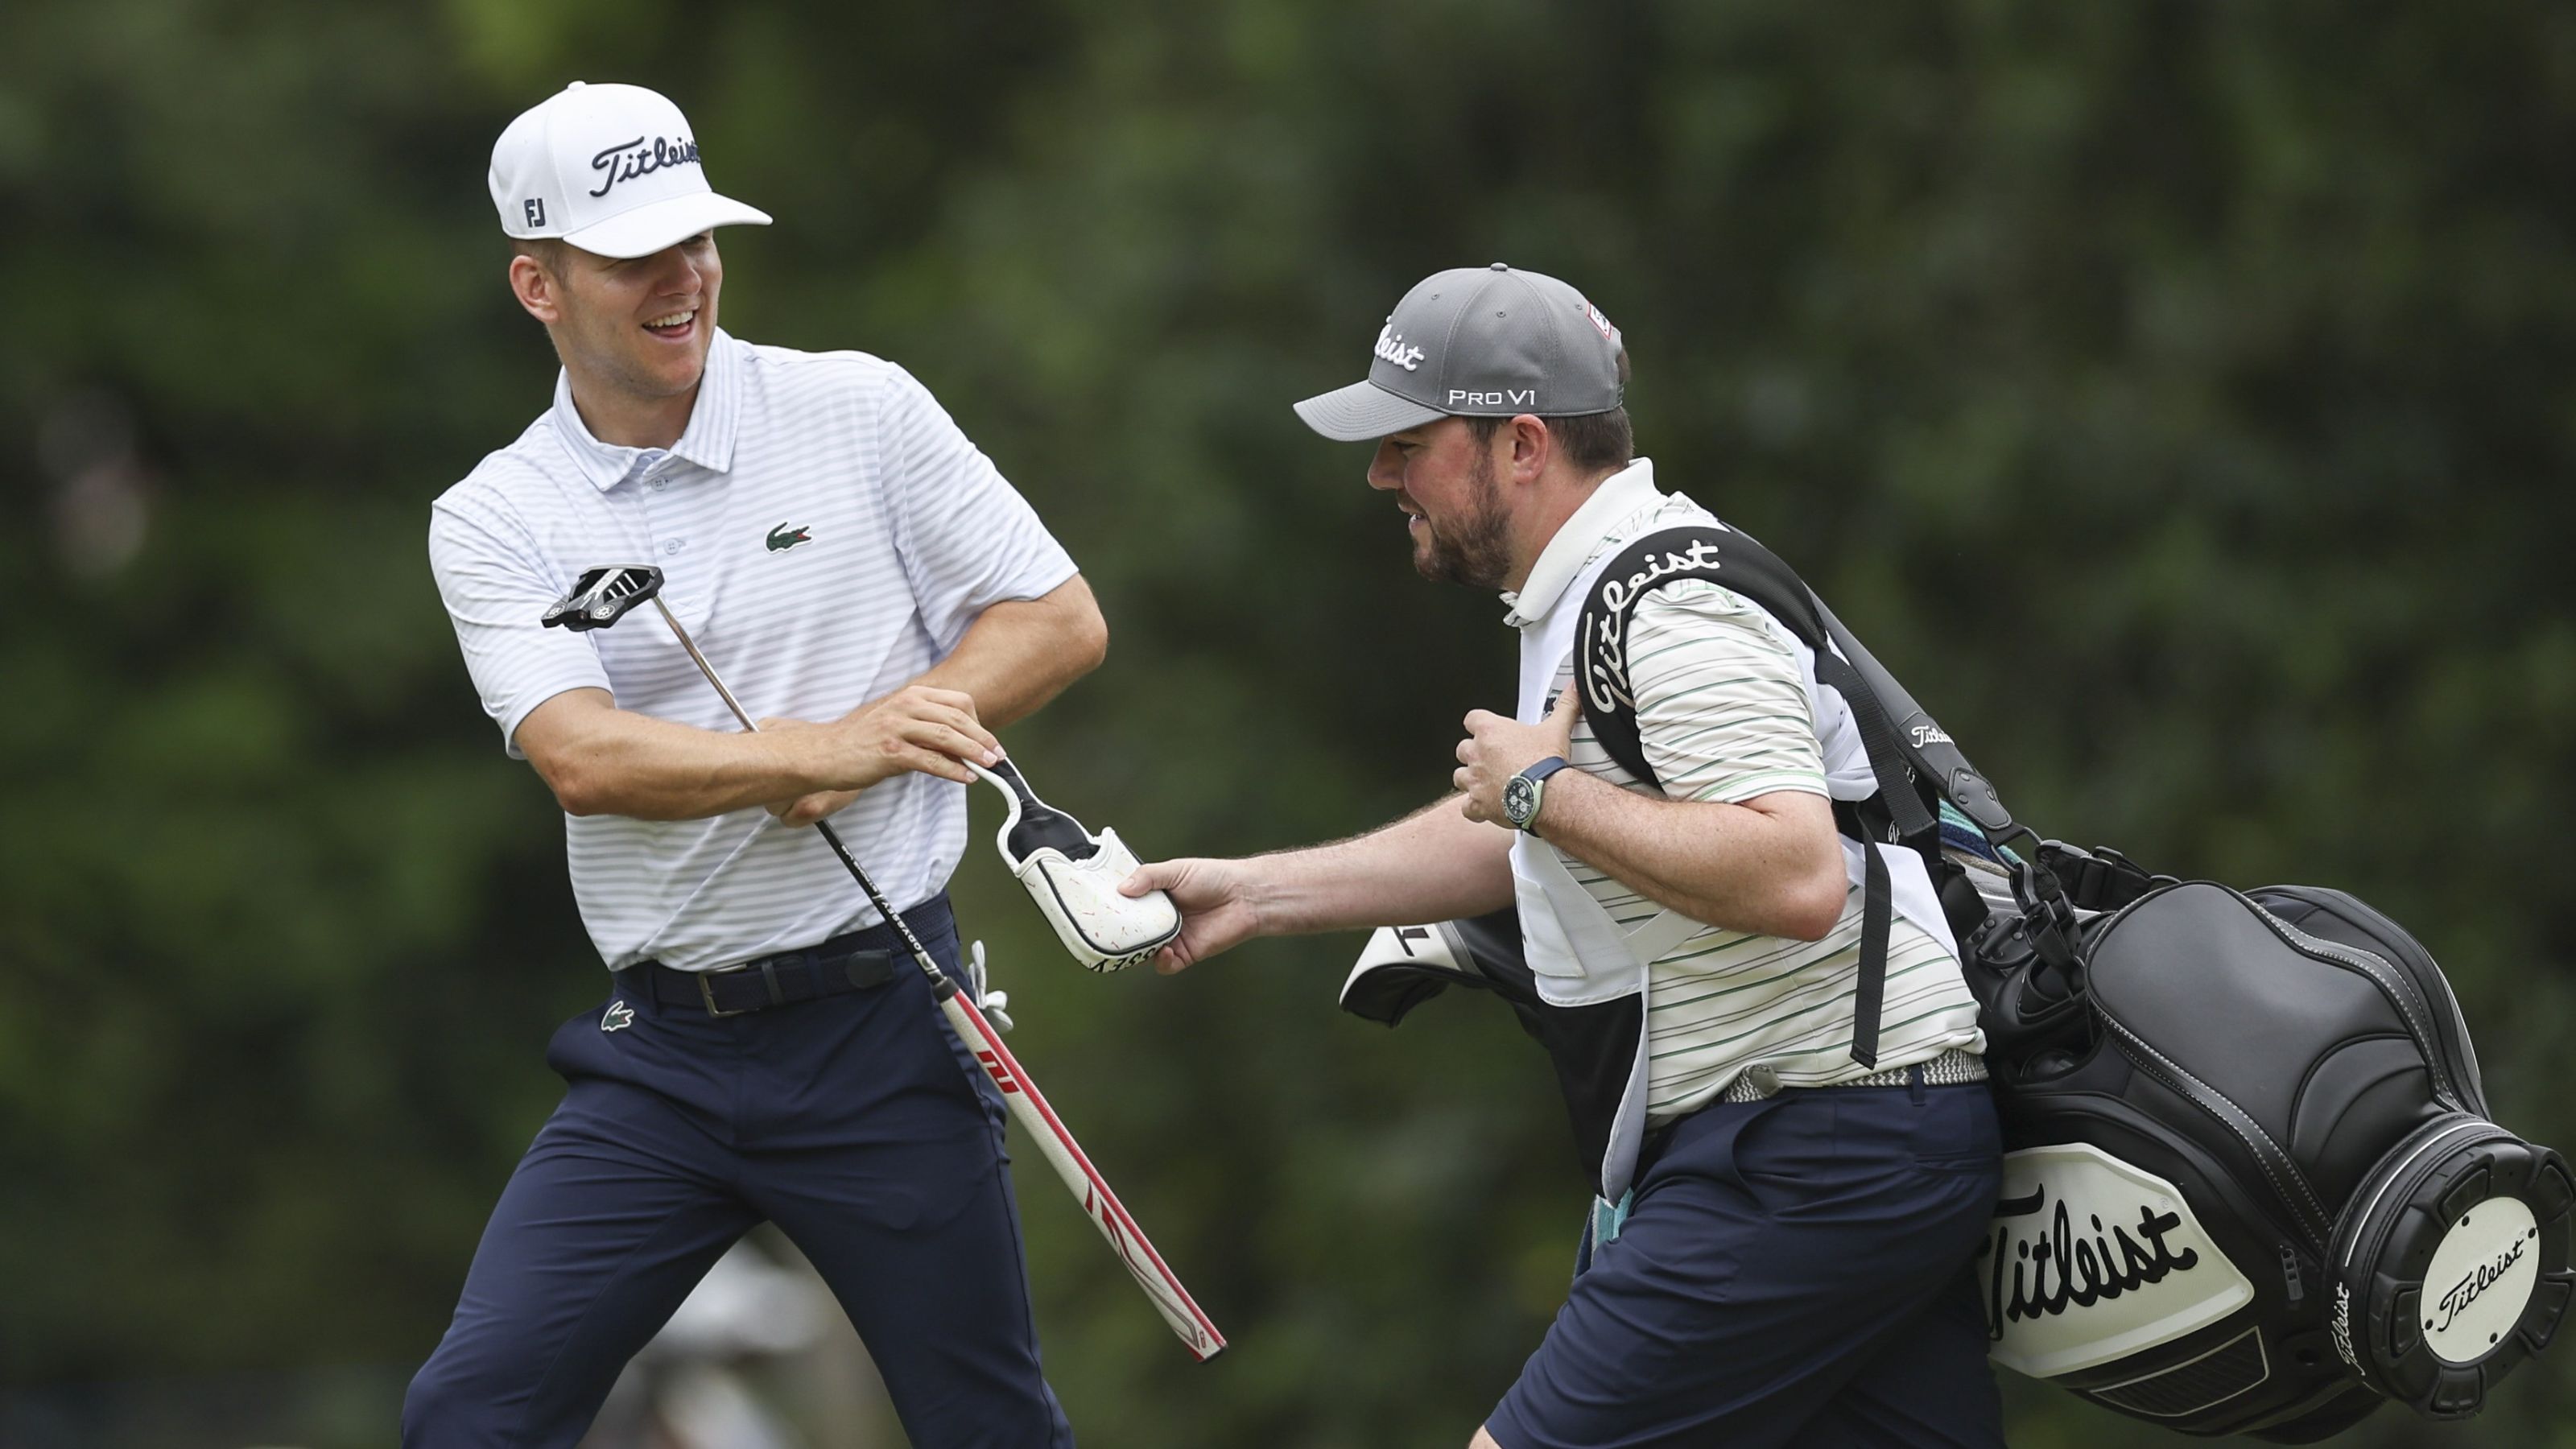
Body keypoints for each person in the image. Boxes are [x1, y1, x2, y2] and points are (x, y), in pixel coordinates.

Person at [1124, 264, 2008, 1447]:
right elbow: (1519, 835)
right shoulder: (1590, 588)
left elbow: (1796, 875)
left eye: (1409, 439)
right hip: (1852, 1141)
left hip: (1809, 1147)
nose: (1384, 472)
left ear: (1523, 445)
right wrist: (1261, 893)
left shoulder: (1665, 600)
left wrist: (1542, 792)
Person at [409, 80, 1100, 1447]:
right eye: (633, 257)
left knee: (990, 1426)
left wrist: (898, 723)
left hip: (886, 1022)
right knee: (471, 1414)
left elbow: (1056, 619)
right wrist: (803, 749)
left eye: (699, 239)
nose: (682, 278)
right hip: (662, 1059)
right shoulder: (494, 515)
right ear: (537, 284)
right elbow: (579, 755)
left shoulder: (858, 410)